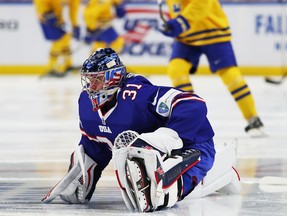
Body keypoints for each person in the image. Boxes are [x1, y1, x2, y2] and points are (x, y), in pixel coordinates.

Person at [41, 48, 241, 212]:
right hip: (155, 156)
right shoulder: (85, 102)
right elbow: (96, 143)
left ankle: (220, 170)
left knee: (158, 192)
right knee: (140, 159)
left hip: (192, 146)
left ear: (113, 77)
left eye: (98, 79)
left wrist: (167, 137)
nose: (91, 86)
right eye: (89, 79)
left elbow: (193, 104)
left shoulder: (137, 94)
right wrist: (86, 169)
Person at [158, 0, 265, 137]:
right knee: (176, 70)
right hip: (186, 37)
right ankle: (190, 117)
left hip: (213, 31)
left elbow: (202, 3)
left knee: (230, 75)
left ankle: (253, 118)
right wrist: (173, 26)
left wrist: (180, 22)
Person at [33, 0, 80, 77]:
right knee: (58, 41)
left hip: (58, 16)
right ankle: (51, 68)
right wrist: (45, 12)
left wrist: (75, 25)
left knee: (65, 38)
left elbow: (73, 9)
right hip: (48, 16)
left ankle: (67, 65)